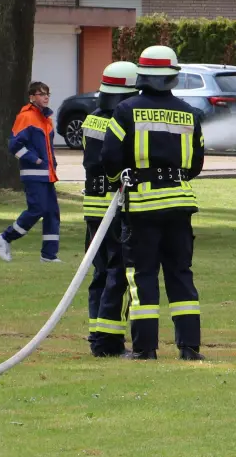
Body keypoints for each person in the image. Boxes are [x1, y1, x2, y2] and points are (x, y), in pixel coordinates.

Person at [107, 45, 206, 360]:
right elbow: (195, 165)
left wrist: (118, 178)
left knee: (143, 275)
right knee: (180, 273)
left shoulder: (125, 110)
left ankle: (145, 349)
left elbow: (109, 158)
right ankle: (189, 348)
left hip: (143, 207)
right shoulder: (190, 113)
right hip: (179, 204)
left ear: (142, 75)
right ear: (173, 78)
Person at [82, 61, 140, 357]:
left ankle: (96, 334)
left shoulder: (92, 118)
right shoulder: (120, 123)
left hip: (93, 207)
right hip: (114, 208)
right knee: (119, 272)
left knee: (100, 273)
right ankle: (109, 342)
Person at [0, 81, 61, 263]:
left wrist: (51, 163)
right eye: (41, 94)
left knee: (52, 213)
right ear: (32, 97)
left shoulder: (46, 118)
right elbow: (14, 145)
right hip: (34, 174)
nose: (45, 97)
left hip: (47, 174)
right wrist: (35, 159)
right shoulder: (27, 117)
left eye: (47, 94)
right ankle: (5, 238)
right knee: (37, 209)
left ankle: (49, 255)